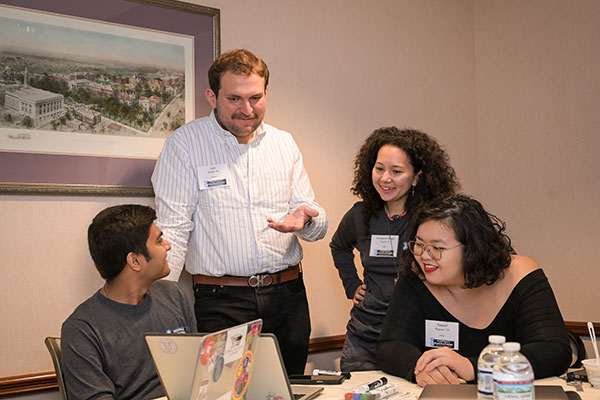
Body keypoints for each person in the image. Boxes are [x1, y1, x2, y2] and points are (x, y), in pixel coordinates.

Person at [151, 49, 327, 375]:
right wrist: (158, 305)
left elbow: (312, 219)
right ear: (212, 96)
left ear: (267, 93)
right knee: (224, 394)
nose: (247, 110)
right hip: (221, 300)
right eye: (234, 98)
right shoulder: (185, 145)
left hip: (287, 297)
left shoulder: (284, 144)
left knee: (287, 391)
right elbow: (173, 229)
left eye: (255, 98)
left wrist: (307, 219)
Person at [377, 194, 571, 386]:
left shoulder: (519, 274)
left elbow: (554, 351)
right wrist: (418, 368)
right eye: (419, 244)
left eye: (437, 248)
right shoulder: (416, 275)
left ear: (472, 249)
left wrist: (475, 367)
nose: (424, 256)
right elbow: (390, 345)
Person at [330, 126, 460, 372]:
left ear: (417, 177)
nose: (385, 178)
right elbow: (339, 247)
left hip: (415, 337)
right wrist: (351, 284)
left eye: (397, 171)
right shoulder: (360, 215)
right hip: (365, 336)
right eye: (379, 168)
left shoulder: (432, 220)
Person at [61, 204, 196, 399]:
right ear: (135, 261)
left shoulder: (174, 296)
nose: (168, 246)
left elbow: (200, 374)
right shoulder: (82, 330)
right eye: (159, 241)